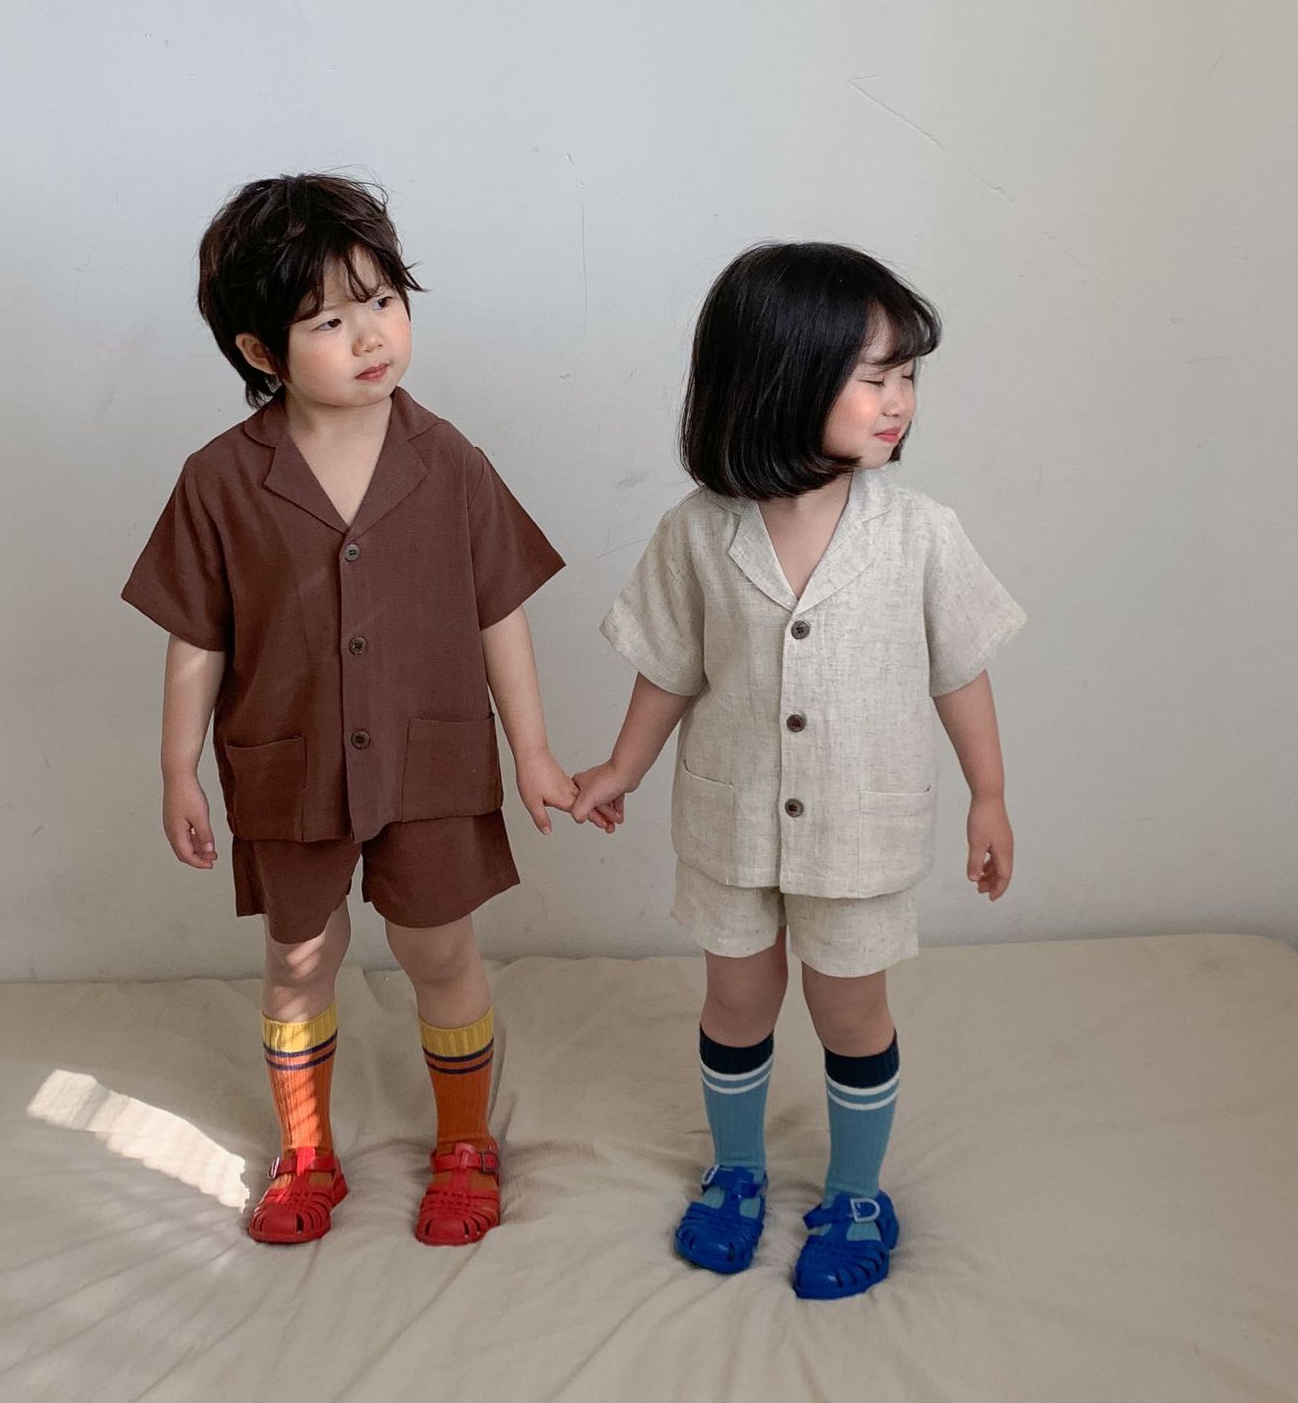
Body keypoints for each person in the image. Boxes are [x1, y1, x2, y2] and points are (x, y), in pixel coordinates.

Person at [124, 173, 581, 1244]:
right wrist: (176, 767)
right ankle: (305, 1153)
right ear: (261, 352)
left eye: (382, 301)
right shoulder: (218, 481)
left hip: (432, 762)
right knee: (298, 956)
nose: (371, 335)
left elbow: (499, 613)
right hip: (289, 764)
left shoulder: (450, 460)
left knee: (440, 950)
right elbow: (199, 637)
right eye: (328, 321)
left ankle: (463, 1144)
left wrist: (534, 752)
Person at [573, 242, 1026, 1298]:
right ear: (777, 378)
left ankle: (856, 1193)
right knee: (736, 1001)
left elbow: (960, 671)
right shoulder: (698, 534)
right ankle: (736, 1174)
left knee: (850, 1012)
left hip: (861, 832)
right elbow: (669, 667)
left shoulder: (920, 534)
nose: (899, 399)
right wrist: (621, 769)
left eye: (907, 375)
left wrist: (990, 796)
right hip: (730, 826)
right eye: (874, 377)